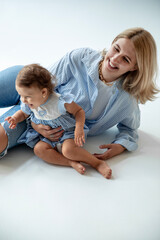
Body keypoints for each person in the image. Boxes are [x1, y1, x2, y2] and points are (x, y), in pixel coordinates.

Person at [0, 27, 159, 174]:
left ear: (134, 67)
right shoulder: (80, 57)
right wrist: (35, 123)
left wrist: (121, 146)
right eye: (116, 48)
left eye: (125, 59)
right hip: (29, 93)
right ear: (112, 44)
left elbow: (130, 130)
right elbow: (43, 84)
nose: (115, 59)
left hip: (42, 116)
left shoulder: (126, 100)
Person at [4, 64, 112, 178]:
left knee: (68, 150)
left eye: (27, 96)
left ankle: (97, 163)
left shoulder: (60, 101)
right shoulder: (29, 103)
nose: (23, 100)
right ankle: (70, 162)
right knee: (39, 150)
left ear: (44, 92)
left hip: (67, 133)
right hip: (46, 137)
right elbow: (23, 113)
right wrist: (15, 118)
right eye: (20, 95)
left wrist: (79, 128)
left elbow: (79, 111)